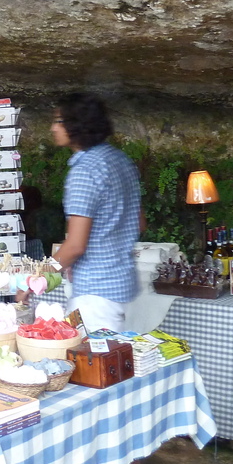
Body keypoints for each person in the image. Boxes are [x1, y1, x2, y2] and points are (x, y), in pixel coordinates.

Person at [49, 92, 142, 334]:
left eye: (59, 121)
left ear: (77, 126)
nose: (53, 128)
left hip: (96, 293)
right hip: (124, 285)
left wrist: (37, 278)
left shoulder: (84, 171)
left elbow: (76, 246)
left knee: (93, 368)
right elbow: (139, 222)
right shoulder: (121, 161)